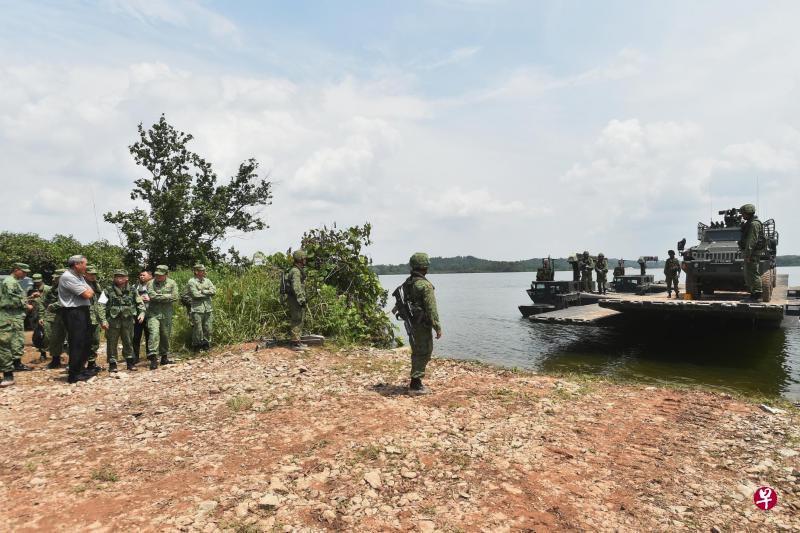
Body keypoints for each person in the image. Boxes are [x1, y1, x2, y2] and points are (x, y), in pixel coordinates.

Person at [403, 253, 442, 395]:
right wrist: (437, 327)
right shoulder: (425, 285)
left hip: (412, 322)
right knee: (425, 351)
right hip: (422, 323)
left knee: (417, 350)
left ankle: (415, 380)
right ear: (424, 267)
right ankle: (415, 384)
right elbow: (431, 309)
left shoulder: (409, 282)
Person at [58, 255, 95, 383]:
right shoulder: (68, 277)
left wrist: (89, 290)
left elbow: (91, 291)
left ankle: (81, 369)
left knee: (86, 341)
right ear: (77, 264)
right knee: (77, 342)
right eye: (85, 264)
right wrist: (88, 290)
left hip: (82, 311)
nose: (86, 266)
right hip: (73, 312)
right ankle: (74, 374)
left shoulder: (78, 276)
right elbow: (88, 294)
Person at [102, 270, 145, 372]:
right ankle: (112, 364)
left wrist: (142, 313)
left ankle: (130, 363)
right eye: (116, 276)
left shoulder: (133, 290)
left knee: (128, 341)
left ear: (127, 278)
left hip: (128, 320)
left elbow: (140, 302)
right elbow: (100, 305)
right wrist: (103, 320)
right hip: (112, 321)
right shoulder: (107, 290)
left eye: (121, 276)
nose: (119, 278)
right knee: (112, 343)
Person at [1, 263, 35, 387]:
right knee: (10, 342)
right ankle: (11, 368)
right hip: (10, 318)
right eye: (23, 272)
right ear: (16, 270)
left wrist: (29, 298)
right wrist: (26, 305)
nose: (25, 274)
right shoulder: (10, 282)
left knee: (16, 340)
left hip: (14, 317)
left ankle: (15, 364)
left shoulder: (13, 282)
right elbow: (11, 300)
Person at [146, 265, 178, 370]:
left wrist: (160, 297)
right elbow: (152, 296)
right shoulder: (150, 283)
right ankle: (153, 358)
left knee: (165, 335)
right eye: (157, 275)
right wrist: (166, 296)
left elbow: (175, 296)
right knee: (154, 333)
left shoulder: (172, 283)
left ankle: (164, 357)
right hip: (153, 314)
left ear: (166, 274)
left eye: (161, 275)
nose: (158, 277)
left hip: (166, 314)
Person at [738, 203, 765, 301]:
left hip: (752, 253)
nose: (742, 215)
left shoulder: (754, 224)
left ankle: (757, 295)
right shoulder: (750, 222)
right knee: (749, 273)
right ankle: (753, 294)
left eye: (743, 213)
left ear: (748, 213)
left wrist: (747, 254)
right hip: (750, 253)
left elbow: (751, 241)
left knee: (753, 273)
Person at [186, 264, 216, 351]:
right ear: (196, 271)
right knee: (198, 329)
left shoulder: (207, 280)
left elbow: (213, 291)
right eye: (201, 270)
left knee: (208, 328)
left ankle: (206, 345)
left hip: (208, 308)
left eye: (204, 270)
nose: (204, 272)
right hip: (197, 309)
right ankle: (197, 346)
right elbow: (195, 295)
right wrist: (208, 293)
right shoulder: (191, 281)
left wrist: (202, 291)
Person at [43, 269, 67, 368]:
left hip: (69, 316)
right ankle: (55, 360)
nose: (53, 278)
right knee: (55, 338)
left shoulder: (69, 287)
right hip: (57, 317)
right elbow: (45, 301)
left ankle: (73, 362)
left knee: (71, 340)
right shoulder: (53, 288)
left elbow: (67, 300)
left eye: (56, 277)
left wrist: (54, 306)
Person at [84, 265, 105, 374]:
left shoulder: (97, 285)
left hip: (96, 317)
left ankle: (91, 363)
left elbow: (102, 300)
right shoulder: (80, 284)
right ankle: (79, 364)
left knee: (95, 341)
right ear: (85, 273)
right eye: (90, 274)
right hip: (84, 317)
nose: (93, 276)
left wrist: (103, 317)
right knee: (83, 341)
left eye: (94, 274)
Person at [285, 251, 308, 351]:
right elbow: (296, 287)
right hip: (295, 299)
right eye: (304, 258)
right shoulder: (296, 271)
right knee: (297, 319)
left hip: (294, 299)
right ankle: (295, 344)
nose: (305, 260)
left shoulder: (296, 270)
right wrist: (301, 299)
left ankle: (297, 341)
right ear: (300, 259)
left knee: (299, 318)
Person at [28, 273, 49, 360]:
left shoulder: (47, 289)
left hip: (45, 314)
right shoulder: (31, 290)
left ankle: (55, 354)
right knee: (38, 335)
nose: (37, 283)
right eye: (35, 282)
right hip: (34, 315)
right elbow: (28, 302)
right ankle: (42, 353)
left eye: (38, 281)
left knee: (47, 334)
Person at [132, 270, 152, 364]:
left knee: (149, 335)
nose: (141, 276)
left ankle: (150, 355)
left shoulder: (153, 285)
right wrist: (140, 299)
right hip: (138, 314)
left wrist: (150, 298)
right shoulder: (135, 286)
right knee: (136, 336)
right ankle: (135, 357)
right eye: (140, 275)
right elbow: (130, 298)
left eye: (144, 275)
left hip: (150, 314)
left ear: (150, 276)